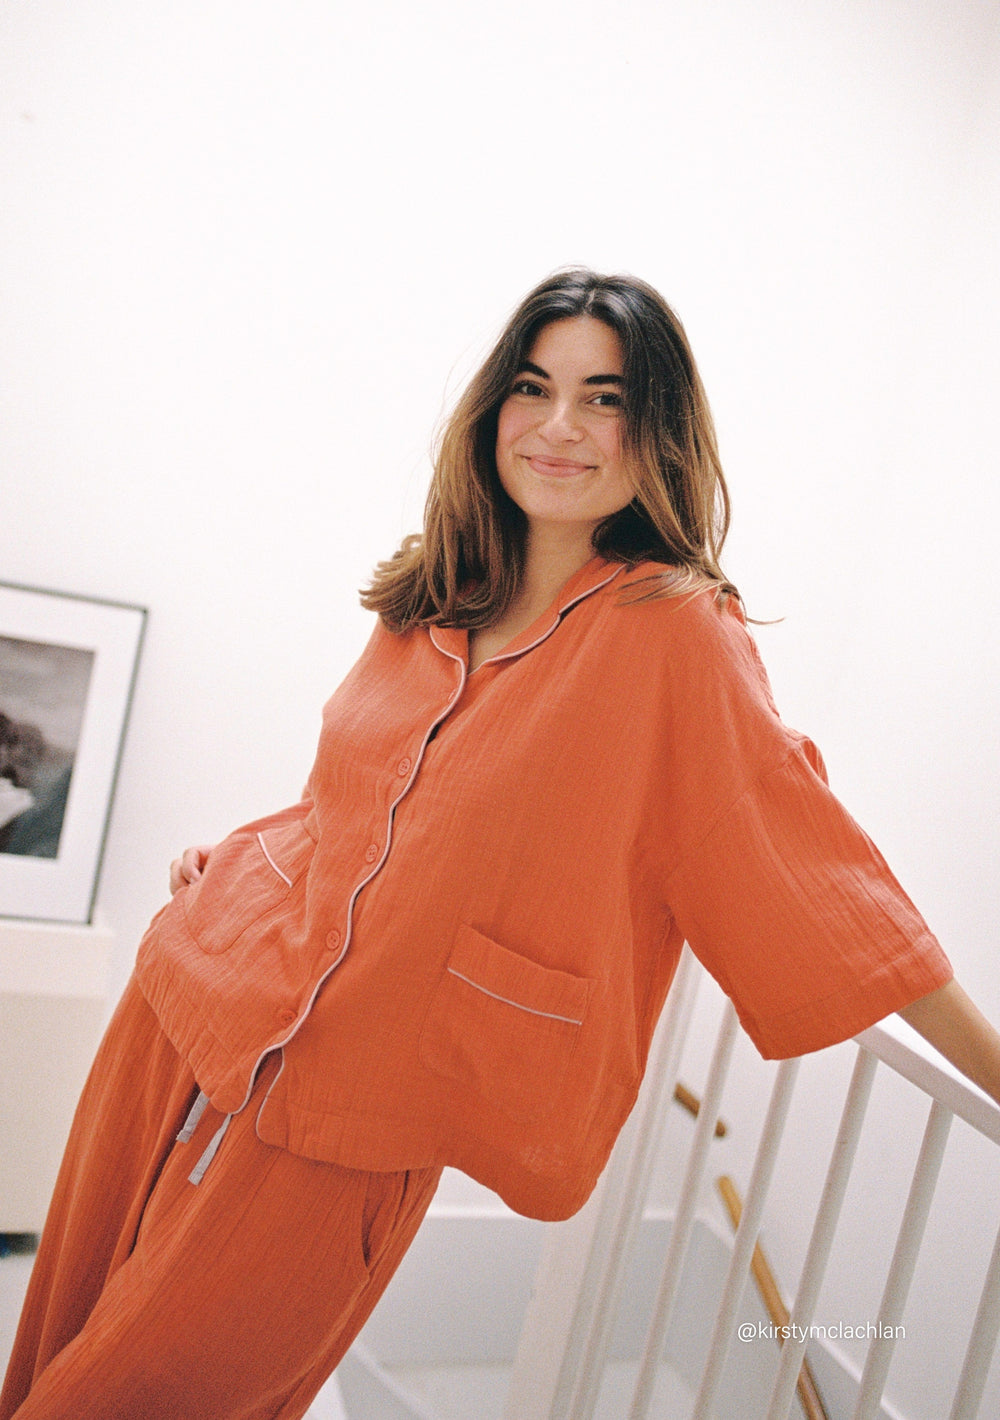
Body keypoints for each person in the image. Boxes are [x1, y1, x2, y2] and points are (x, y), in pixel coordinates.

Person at [3, 268, 999, 1420]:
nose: (560, 426)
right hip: (190, 1005)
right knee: (50, 1350)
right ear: (492, 411)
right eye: (534, 387)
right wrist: (238, 862)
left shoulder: (670, 633)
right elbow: (363, 803)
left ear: (657, 428)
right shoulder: (438, 587)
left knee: (138, 1400)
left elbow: (819, 874)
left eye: (604, 397)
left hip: (355, 1115)